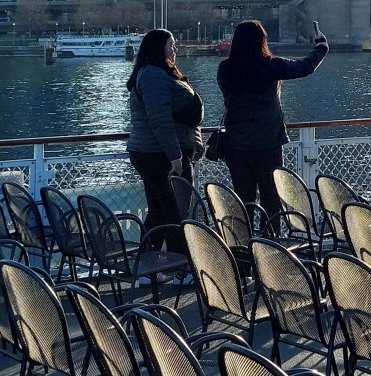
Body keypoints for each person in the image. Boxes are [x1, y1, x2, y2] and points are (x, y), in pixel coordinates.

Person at [216, 19, 329, 230]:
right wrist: (321, 46)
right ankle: (269, 249)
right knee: (271, 200)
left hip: (235, 144)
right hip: (267, 143)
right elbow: (305, 67)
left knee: (243, 200)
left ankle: (243, 248)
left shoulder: (225, 69)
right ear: (261, 41)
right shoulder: (270, 66)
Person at [126, 28, 203, 251]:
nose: (175, 49)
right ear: (158, 48)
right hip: (158, 155)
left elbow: (186, 115)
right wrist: (175, 157)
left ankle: (146, 265)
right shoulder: (152, 75)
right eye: (171, 44)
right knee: (176, 212)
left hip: (160, 152)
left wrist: (195, 139)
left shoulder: (164, 73)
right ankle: (181, 267)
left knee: (161, 211)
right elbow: (159, 120)